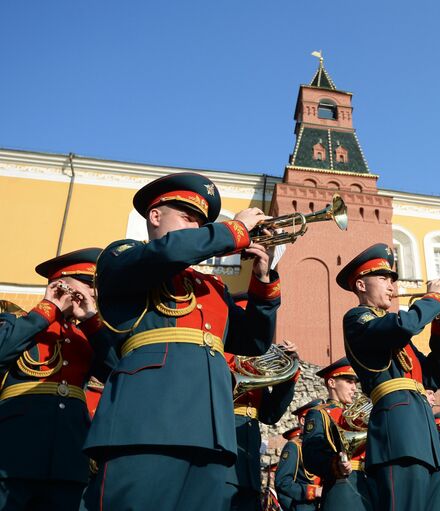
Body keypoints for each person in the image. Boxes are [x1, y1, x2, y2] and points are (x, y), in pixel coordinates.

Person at [80, 172, 281, 510]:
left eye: (202, 224)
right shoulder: (124, 256)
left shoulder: (212, 286)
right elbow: (167, 254)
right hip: (147, 423)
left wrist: (263, 281)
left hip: (211, 430)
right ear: (155, 216)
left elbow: (255, 341)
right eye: (188, 218)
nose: (197, 229)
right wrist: (233, 231)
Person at [338, 243, 440, 511]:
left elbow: (436, 376)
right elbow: (405, 324)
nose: (392, 286)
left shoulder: (394, 333)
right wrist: (433, 300)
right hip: (398, 435)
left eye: (393, 280)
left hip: (424, 437)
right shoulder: (358, 318)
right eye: (383, 278)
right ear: (360, 285)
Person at [0, 248, 114, 510]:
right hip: (13, 453)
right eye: (87, 284)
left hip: (68, 459)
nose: (93, 292)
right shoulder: (19, 323)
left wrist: (91, 321)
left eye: (96, 286)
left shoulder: (89, 335)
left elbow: (119, 370)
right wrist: (47, 309)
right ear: (59, 284)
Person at [225, 335, 301, 510]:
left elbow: (270, 414)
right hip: (226, 434)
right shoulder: (221, 353)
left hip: (250, 445)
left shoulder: (254, 363)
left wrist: (289, 373)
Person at [302, 357, 374, 510]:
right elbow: (311, 454)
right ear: (332, 383)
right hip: (342, 486)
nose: (354, 388)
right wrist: (335, 464)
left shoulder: (360, 415)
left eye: (355, 383)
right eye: (349, 381)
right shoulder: (319, 413)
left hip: (369, 485)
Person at [275, 400, 324, 511]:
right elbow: (282, 482)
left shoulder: (321, 448)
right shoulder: (294, 447)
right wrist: (313, 491)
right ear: (303, 420)